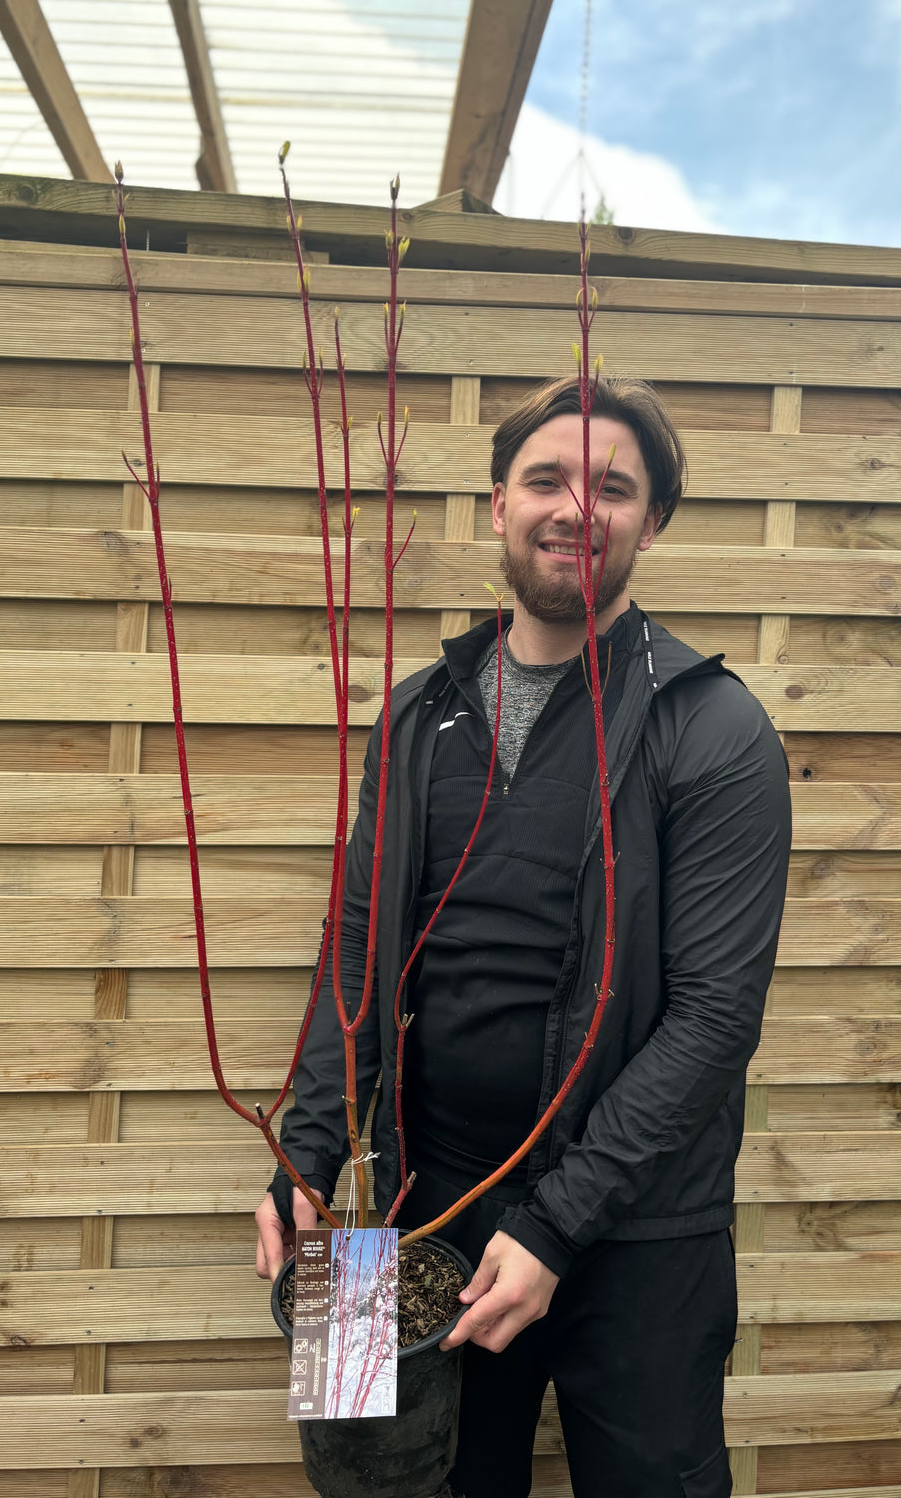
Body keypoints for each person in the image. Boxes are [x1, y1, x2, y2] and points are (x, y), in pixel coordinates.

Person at [255, 376, 792, 1497]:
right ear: (498, 502)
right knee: (373, 1484)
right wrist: (308, 1157)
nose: (575, 508)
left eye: (612, 487)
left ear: (653, 522)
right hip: (398, 1201)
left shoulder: (716, 726)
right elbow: (353, 949)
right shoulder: (413, 713)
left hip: (639, 1229)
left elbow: (714, 1018)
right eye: (546, 478)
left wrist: (554, 1225)